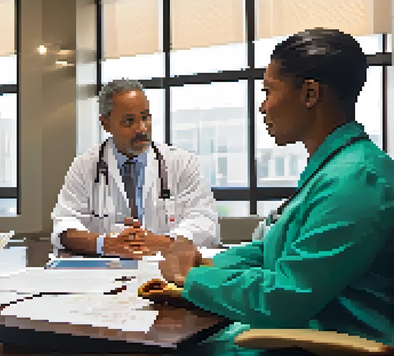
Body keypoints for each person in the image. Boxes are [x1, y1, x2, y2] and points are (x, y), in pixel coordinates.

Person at [160, 28, 394, 355]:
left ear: (310, 94)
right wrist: (209, 266)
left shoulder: (356, 180)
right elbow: (274, 251)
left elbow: (286, 296)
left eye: (269, 91)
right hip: (306, 328)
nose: (263, 106)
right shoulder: (336, 169)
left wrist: (192, 278)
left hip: (331, 342)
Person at [51, 78, 219, 259]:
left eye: (145, 117)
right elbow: (64, 225)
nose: (141, 128)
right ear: (106, 124)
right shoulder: (84, 166)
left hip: (166, 272)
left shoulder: (183, 163)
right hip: (105, 274)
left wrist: (163, 242)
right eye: (129, 121)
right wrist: (105, 244)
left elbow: (205, 222)